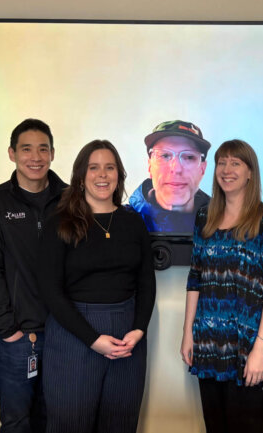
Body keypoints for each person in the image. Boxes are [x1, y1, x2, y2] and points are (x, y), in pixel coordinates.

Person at [38, 140, 155, 433]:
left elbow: (146, 281)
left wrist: (139, 329)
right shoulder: (60, 222)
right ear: (80, 176)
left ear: (119, 174)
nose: (102, 175)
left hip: (128, 337)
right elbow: (51, 290)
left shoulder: (133, 222)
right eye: (94, 168)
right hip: (73, 334)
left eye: (109, 167)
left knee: (120, 424)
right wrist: (92, 339)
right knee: (70, 424)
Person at [180, 139, 263, 433]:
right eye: (222, 162)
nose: (227, 170)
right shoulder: (205, 217)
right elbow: (195, 278)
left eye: (235, 163)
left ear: (250, 172)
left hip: (249, 347)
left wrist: (261, 349)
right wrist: (188, 333)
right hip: (209, 343)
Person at [0, 118, 67, 433]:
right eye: (27, 149)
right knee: (16, 423)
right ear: (12, 153)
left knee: (55, 421)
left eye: (43, 149)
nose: (36, 157)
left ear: (53, 153)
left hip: (64, 335)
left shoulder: (71, 200)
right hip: (18, 338)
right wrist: (7, 328)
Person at [129, 120, 211, 232]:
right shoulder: (119, 224)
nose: (176, 168)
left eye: (189, 157)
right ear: (150, 166)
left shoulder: (225, 226)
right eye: (164, 155)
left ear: (202, 168)